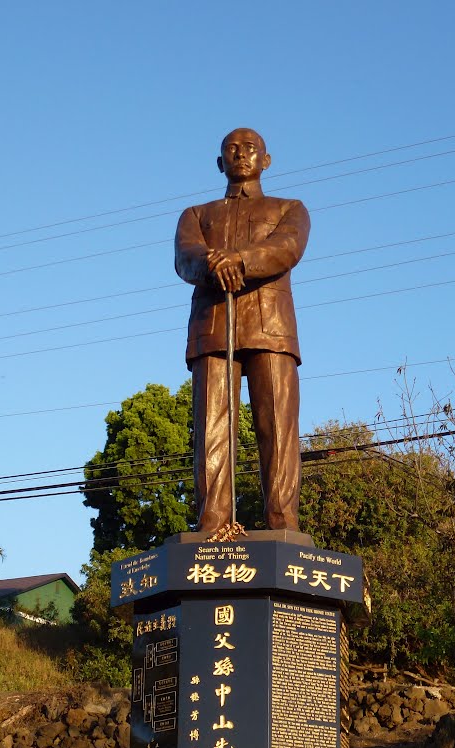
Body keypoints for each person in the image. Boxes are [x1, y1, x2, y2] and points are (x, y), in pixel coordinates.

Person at [175, 127, 310, 533]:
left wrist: (234, 259)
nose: (241, 154)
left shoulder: (290, 208)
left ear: (266, 160)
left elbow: (286, 249)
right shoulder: (197, 215)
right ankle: (213, 523)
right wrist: (212, 264)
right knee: (212, 432)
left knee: (278, 430)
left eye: (250, 148)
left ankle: (282, 523)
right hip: (214, 325)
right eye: (231, 149)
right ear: (220, 163)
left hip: (271, 326)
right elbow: (186, 257)